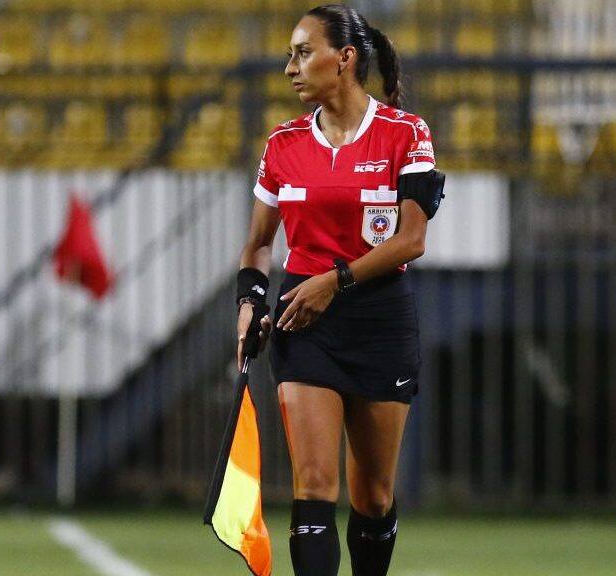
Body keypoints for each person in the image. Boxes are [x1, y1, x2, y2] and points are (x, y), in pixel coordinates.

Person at [235, 4, 444, 575]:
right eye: (290, 55)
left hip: (378, 317)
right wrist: (250, 301)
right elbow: (258, 244)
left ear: (345, 58)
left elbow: (411, 240)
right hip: (303, 319)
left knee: (373, 495)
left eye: (304, 53)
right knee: (313, 485)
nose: (291, 68)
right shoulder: (282, 143)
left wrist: (337, 280)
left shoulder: (406, 133)